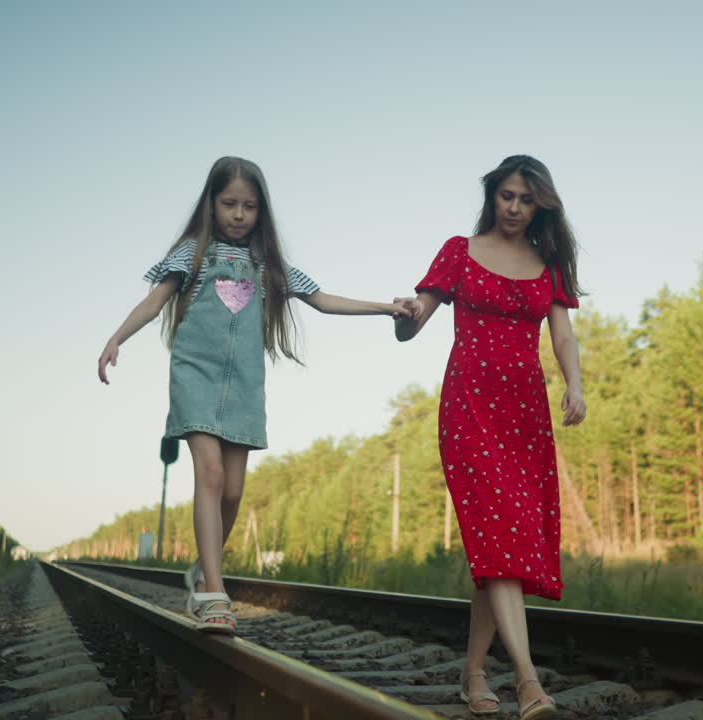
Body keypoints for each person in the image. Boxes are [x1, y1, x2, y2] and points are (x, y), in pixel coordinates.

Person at [99, 156, 411, 633]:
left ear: (261, 211)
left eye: (249, 206)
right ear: (211, 203)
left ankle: (202, 570)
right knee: (210, 474)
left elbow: (323, 300)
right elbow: (154, 301)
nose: (239, 215)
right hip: (195, 376)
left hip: (244, 384)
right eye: (229, 204)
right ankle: (213, 593)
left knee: (233, 491)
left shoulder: (267, 266)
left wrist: (386, 308)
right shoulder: (191, 254)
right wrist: (116, 338)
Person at [393, 155, 585, 719]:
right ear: (492, 195)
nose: (515, 208)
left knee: (502, 543)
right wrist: (405, 316)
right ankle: (527, 681)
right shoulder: (459, 251)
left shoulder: (549, 264)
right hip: (470, 407)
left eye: (526, 200)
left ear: (540, 206)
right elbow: (416, 321)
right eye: (507, 196)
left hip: (525, 415)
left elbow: (563, 334)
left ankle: (474, 672)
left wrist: (575, 385)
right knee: (500, 535)